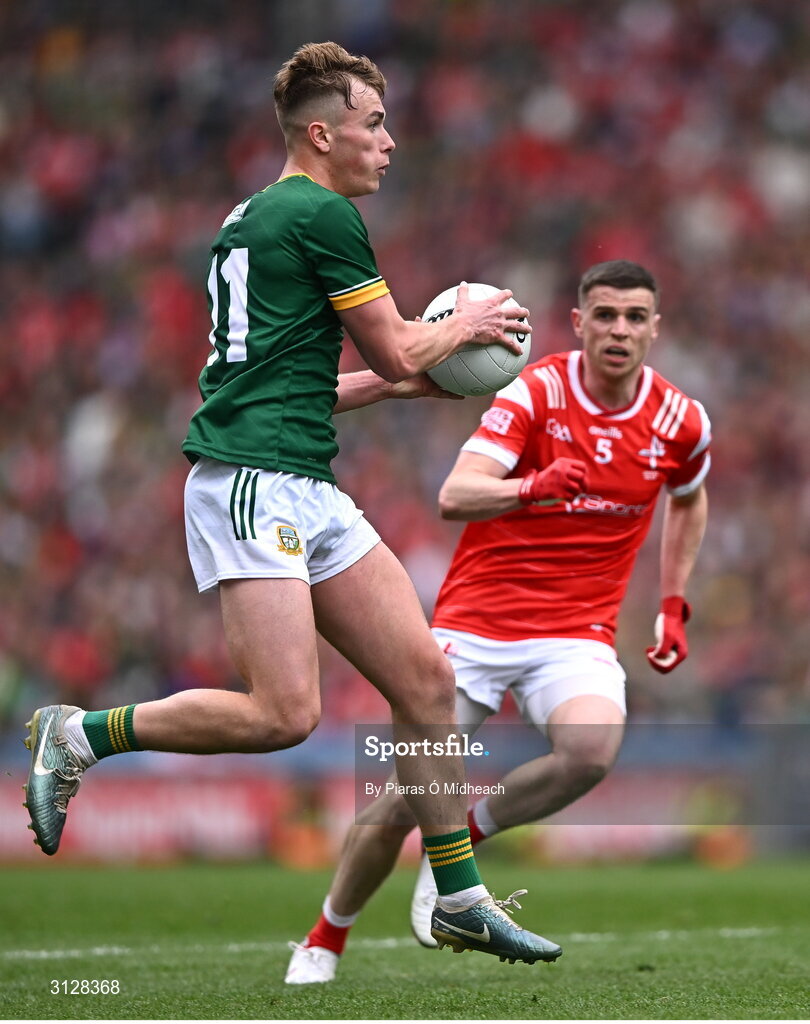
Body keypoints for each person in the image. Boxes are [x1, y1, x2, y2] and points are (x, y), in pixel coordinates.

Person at [23, 41, 563, 969]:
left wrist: (396, 386)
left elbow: (288, 379)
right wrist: (460, 328)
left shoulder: (254, 217)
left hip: (299, 475)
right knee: (282, 714)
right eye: (373, 124)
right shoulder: (321, 214)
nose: (389, 142)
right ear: (323, 133)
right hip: (249, 479)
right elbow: (397, 349)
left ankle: (460, 895)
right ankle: (79, 734)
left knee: (427, 683)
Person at [284, 258, 710, 984]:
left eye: (634, 318)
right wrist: (535, 487)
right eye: (604, 315)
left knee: (591, 751)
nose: (619, 330)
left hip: (576, 632)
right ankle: (323, 940)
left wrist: (672, 604)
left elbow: (690, 499)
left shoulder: (680, 419)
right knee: (396, 804)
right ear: (579, 324)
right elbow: (457, 493)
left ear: (654, 329)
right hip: (475, 625)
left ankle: (463, 842)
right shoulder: (534, 391)